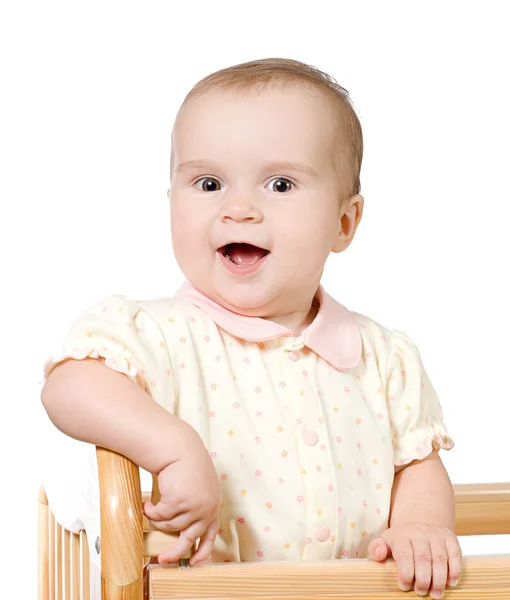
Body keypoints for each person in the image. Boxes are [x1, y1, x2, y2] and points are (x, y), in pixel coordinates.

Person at [41, 58, 460, 599]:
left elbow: (416, 466)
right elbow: (70, 386)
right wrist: (173, 450)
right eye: (209, 182)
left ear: (344, 222)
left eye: (280, 184)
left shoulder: (382, 358)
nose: (239, 208)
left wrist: (422, 527)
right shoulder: (161, 335)